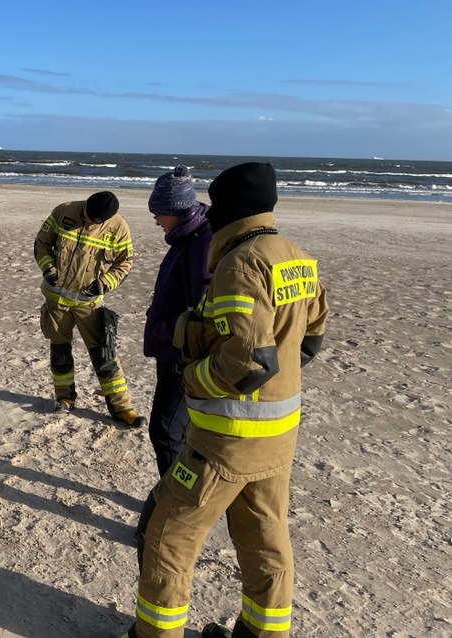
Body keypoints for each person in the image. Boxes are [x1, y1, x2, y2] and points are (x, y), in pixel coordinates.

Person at [123, 162, 329, 638]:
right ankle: (262, 633)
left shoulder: (240, 263)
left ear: (229, 208)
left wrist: (193, 376)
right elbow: (313, 335)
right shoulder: (294, 255)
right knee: (265, 542)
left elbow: (248, 364)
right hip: (279, 438)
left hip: (228, 440)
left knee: (166, 537)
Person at [34, 190, 143, 427]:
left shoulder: (119, 228)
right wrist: (48, 269)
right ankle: (64, 399)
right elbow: (42, 243)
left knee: (105, 356)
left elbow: (125, 262)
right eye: (85, 215)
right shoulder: (64, 211)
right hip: (56, 302)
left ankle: (122, 408)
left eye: (92, 220)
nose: (86, 220)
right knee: (60, 353)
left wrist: (105, 284)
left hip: (89, 305)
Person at [143, 165, 212, 477]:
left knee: (165, 430)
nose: (156, 220)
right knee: (176, 429)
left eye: (159, 212)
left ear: (177, 209)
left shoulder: (202, 242)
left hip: (183, 353)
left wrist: (168, 330)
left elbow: (206, 304)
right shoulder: (187, 237)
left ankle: (176, 502)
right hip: (173, 348)